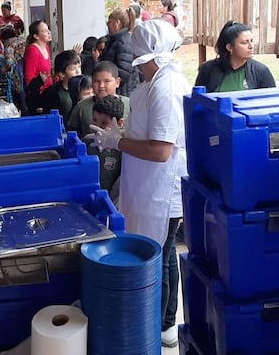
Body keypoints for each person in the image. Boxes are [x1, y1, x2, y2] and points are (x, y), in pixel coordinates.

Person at [86, 19, 188, 348]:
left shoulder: (166, 86)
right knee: (158, 250)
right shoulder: (151, 83)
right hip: (146, 186)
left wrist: (118, 142)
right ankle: (158, 316)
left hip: (162, 187)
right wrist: (119, 136)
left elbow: (160, 151)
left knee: (164, 252)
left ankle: (165, 321)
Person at [195, 20, 276, 92]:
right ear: (229, 47)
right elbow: (197, 102)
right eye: (245, 42)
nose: (251, 46)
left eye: (251, 41)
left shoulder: (261, 71)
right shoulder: (207, 69)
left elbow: (272, 102)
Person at [67, 61, 130, 139]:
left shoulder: (130, 104)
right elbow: (72, 134)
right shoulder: (81, 107)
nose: (101, 86)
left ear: (117, 82)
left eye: (107, 81)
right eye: (97, 81)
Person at [86, 95, 124, 202]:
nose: (97, 127)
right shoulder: (87, 142)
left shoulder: (121, 150)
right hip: (88, 197)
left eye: (103, 123)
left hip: (109, 200)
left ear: (119, 123)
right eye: (94, 120)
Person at [101, 9, 138, 96]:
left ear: (116, 23)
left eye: (109, 22)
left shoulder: (123, 42)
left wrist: (107, 84)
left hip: (122, 92)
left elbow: (123, 72)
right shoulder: (116, 40)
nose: (107, 25)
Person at [42, 49, 82, 118]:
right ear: (62, 74)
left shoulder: (85, 88)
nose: (78, 71)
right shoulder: (53, 93)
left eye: (79, 67)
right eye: (73, 69)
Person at [23, 20, 53, 92]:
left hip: (49, 90)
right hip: (39, 94)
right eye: (45, 31)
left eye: (48, 29)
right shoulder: (33, 50)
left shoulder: (46, 47)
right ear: (36, 36)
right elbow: (28, 79)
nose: (49, 32)